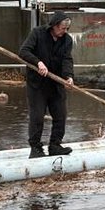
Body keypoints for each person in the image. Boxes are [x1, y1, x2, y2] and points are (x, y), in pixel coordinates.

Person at [19, 10, 75, 159]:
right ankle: (36, 148)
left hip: (56, 83)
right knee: (37, 116)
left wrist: (68, 76)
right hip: (37, 84)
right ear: (54, 26)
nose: (65, 31)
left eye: (67, 29)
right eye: (63, 28)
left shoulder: (67, 40)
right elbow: (24, 51)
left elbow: (67, 60)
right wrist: (38, 62)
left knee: (61, 115)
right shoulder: (37, 33)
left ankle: (55, 145)